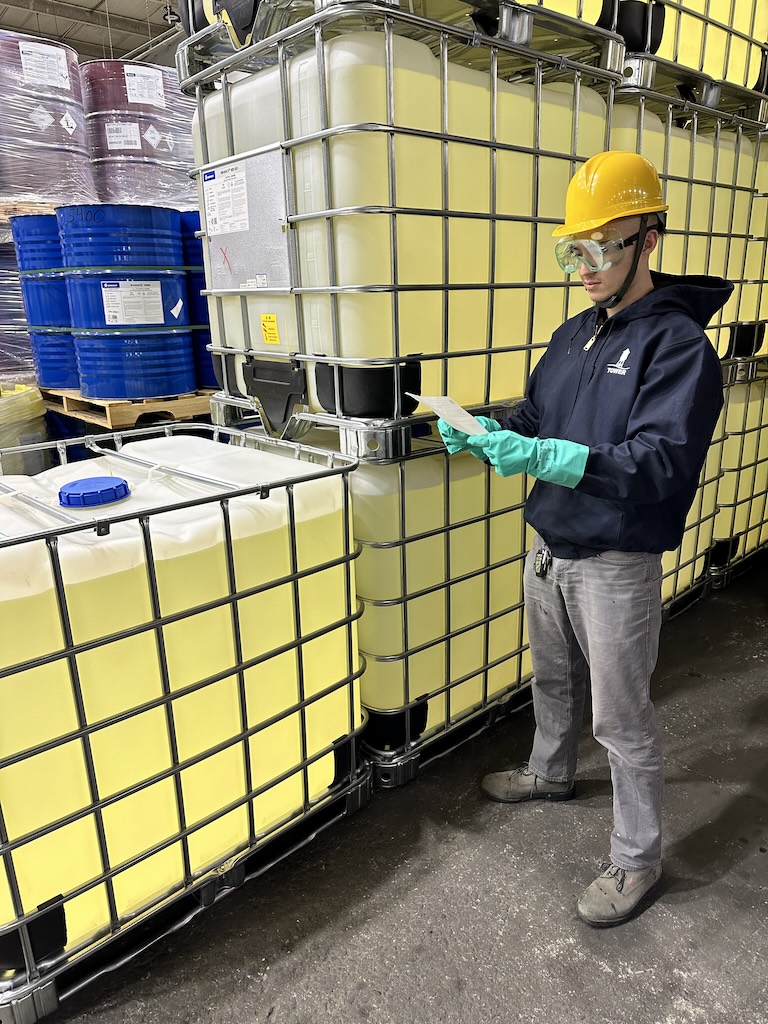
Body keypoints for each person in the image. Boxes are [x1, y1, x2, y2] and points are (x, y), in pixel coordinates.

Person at [437, 150, 732, 927]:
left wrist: (548, 459)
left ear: (650, 239)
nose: (585, 265)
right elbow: (539, 420)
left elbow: (660, 463)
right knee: (555, 683)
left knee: (621, 720)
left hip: (614, 561)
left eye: (602, 246)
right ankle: (549, 772)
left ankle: (637, 860)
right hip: (549, 546)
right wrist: (484, 428)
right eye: (574, 248)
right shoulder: (574, 335)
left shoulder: (679, 349)